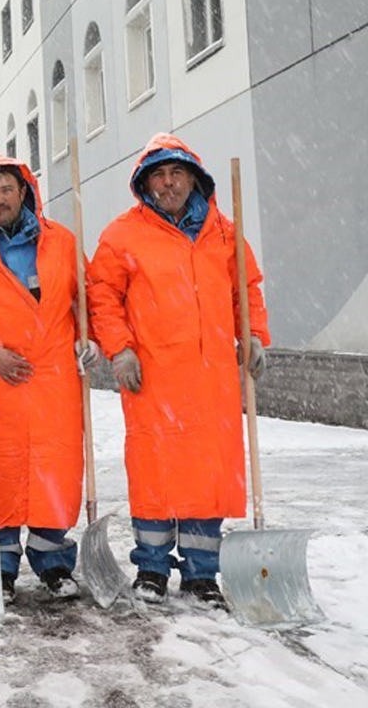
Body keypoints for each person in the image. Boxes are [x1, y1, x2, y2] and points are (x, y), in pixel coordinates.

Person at [88, 133, 269, 607]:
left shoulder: (226, 233)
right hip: (153, 377)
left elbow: (245, 292)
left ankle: (200, 573)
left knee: (207, 478)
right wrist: (120, 350)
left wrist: (254, 336)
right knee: (155, 474)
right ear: (145, 183)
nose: (168, 184)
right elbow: (102, 296)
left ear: (194, 179)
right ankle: (150, 568)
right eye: (159, 176)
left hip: (212, 382)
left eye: (176, 173)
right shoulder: (122, 234)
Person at [0, 156, 101, 603]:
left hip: (55, 380)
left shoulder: (62, 243)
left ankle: (53, 564)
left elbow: (91, 296)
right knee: (1, 471)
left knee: (56, 469)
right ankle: (1, 568)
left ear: (22, 191)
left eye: (5, 190)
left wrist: (90, 338)